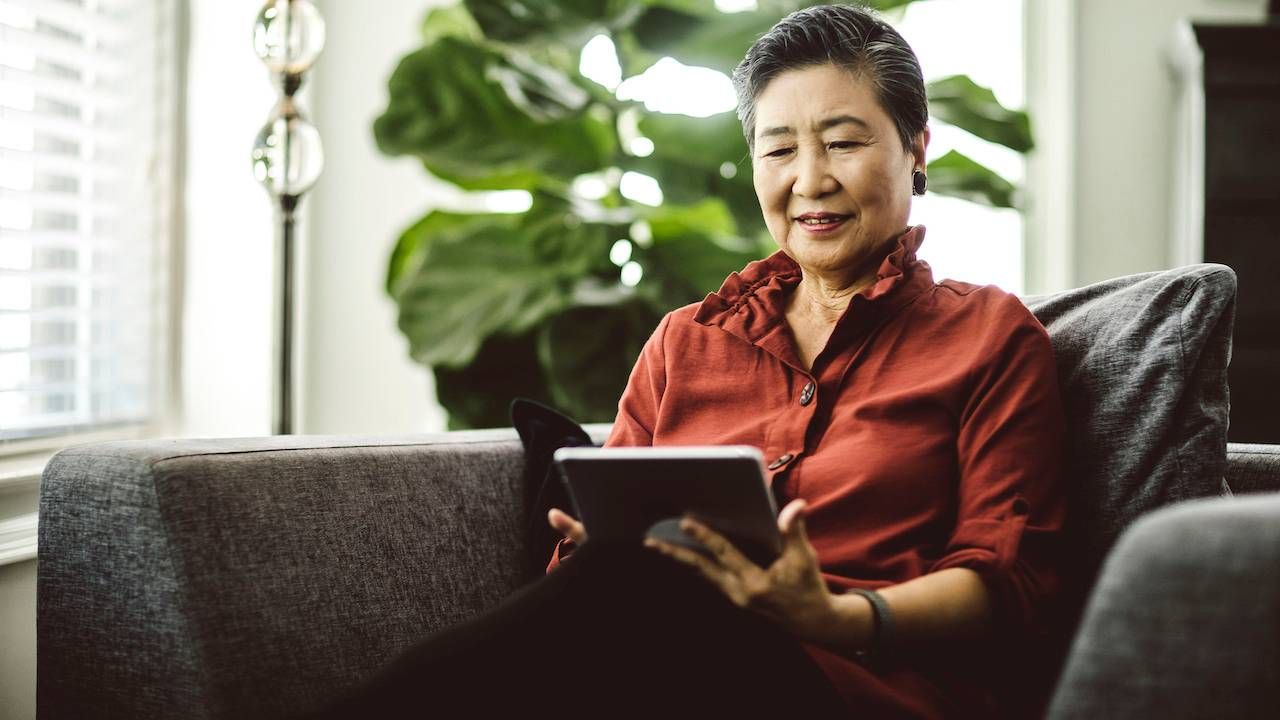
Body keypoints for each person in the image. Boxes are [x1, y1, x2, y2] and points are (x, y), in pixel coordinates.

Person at [307, 4, 1066, 718]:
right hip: (659, 671)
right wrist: (586, 544)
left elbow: (1009, 581)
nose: (811, 179)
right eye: (779, 150)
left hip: (857, 688)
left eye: (843, 141)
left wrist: (835, 616)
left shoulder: (990, 336)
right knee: (627, 580)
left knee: (638, 583)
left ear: (916, 147)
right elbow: (587, 579)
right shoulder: (685, 342)